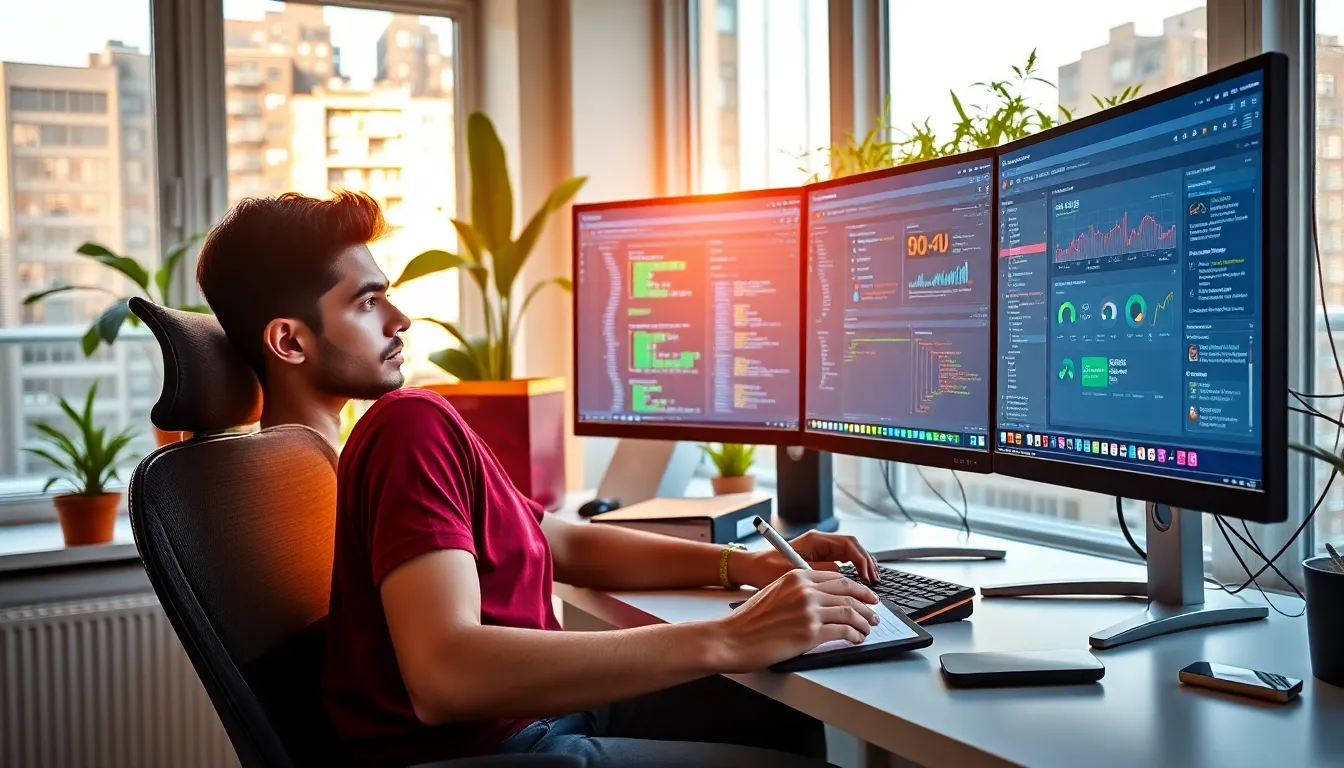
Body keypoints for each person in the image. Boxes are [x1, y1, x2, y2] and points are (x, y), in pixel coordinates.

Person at [196, 191, 884, 768]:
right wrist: (729, 638)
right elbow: (446, 676)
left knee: (755, 707)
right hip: (502, 745)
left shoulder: (323, 466)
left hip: (512, 726)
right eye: (368, 301)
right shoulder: (404, 426)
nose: (400, 318)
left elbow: (563, 543)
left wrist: (746, 566)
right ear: (290, 341)